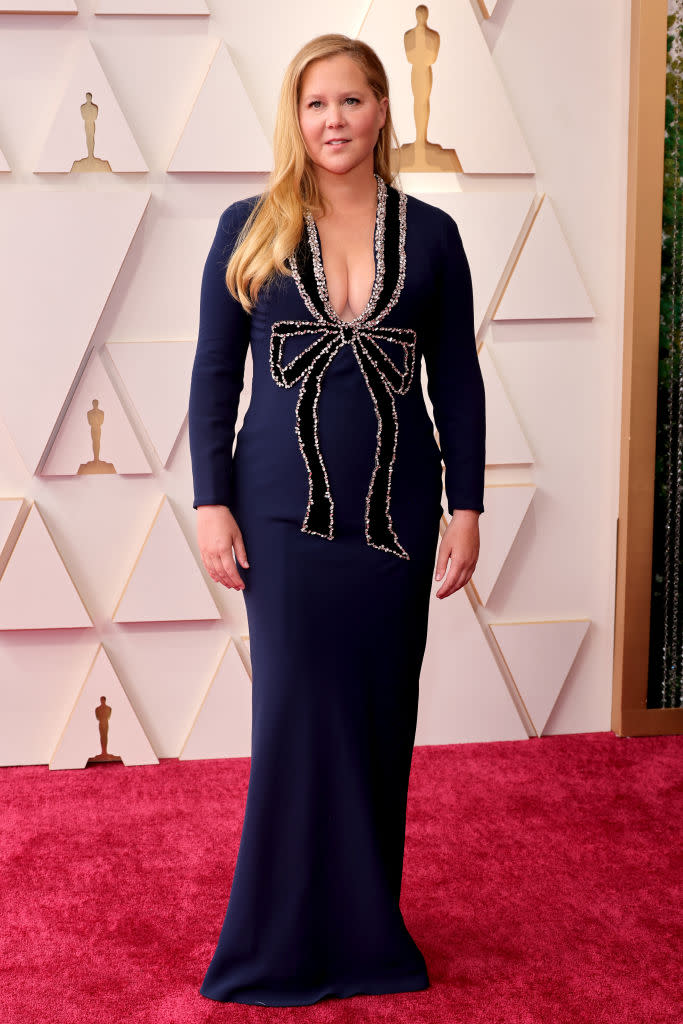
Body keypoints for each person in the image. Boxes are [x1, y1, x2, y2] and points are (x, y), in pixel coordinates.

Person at [188, 32, 485, 1008]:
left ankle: (363, 934)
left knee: (373, 720)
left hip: (397, 520)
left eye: (351, 102)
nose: (333, 122)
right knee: (290, 719)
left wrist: (466, 505)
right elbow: (213, 376)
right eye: (316, 104)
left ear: (381, 111)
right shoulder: (249, 226)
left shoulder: (432, 237)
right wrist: (208, 500)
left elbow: (459, 382)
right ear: (294, 114)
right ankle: (272, 941)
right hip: (277, 514)